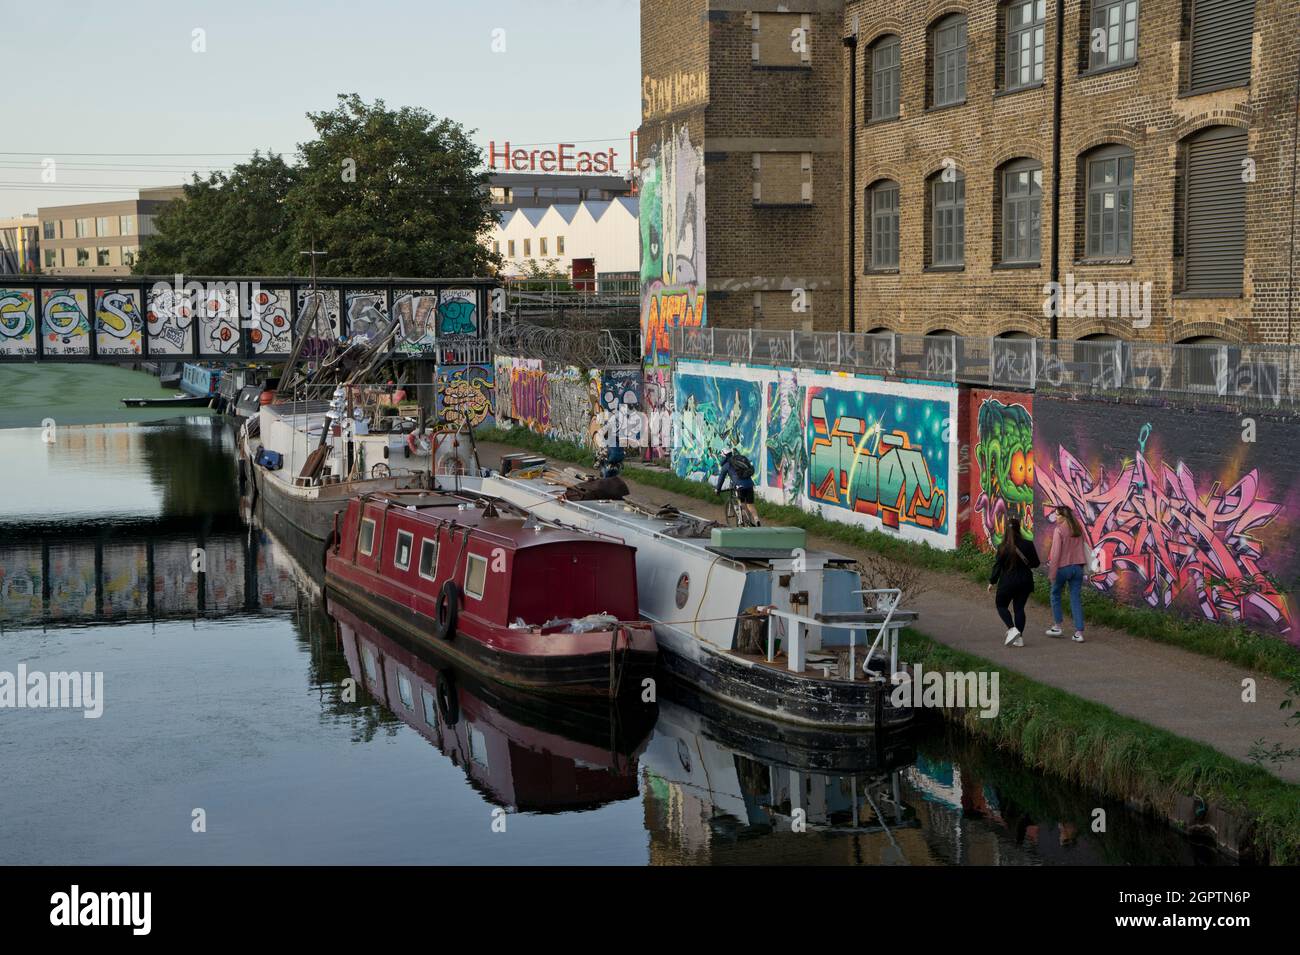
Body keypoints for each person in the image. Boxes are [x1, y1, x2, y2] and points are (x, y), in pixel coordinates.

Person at [987, 517, 1040, 647]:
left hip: (1007, 582)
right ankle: (1019, 638)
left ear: (1006, 530)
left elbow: (998, 566)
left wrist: (992, 581)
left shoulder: (1002, 547)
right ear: (1019, 529)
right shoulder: (1028, 544)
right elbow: (1036, 563)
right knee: (1019, 609)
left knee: (1001, 605)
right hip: (1025, 582)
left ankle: (1012, 629)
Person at [1046, 505, 1088, 642]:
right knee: (1075, 598)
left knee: (1055, 594)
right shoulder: (1078, 528)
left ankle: (1057, 626)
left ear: (1064, 517)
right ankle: (1079, 633)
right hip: (1078, 568)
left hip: (1063, 568)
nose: (1055, 517)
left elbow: (1056, 553)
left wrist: (1052, 574)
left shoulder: (1059, 530)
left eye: (1057, 515)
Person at [715, 448, 758, 526]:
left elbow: (721, 479)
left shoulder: (726, 466)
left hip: (739, 486)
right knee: (750, 505)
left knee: (741, 503)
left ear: (724, 457)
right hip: (750, 484)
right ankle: (757, 520)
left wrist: (718, 489)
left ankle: (742, 521)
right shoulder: (738, 461)